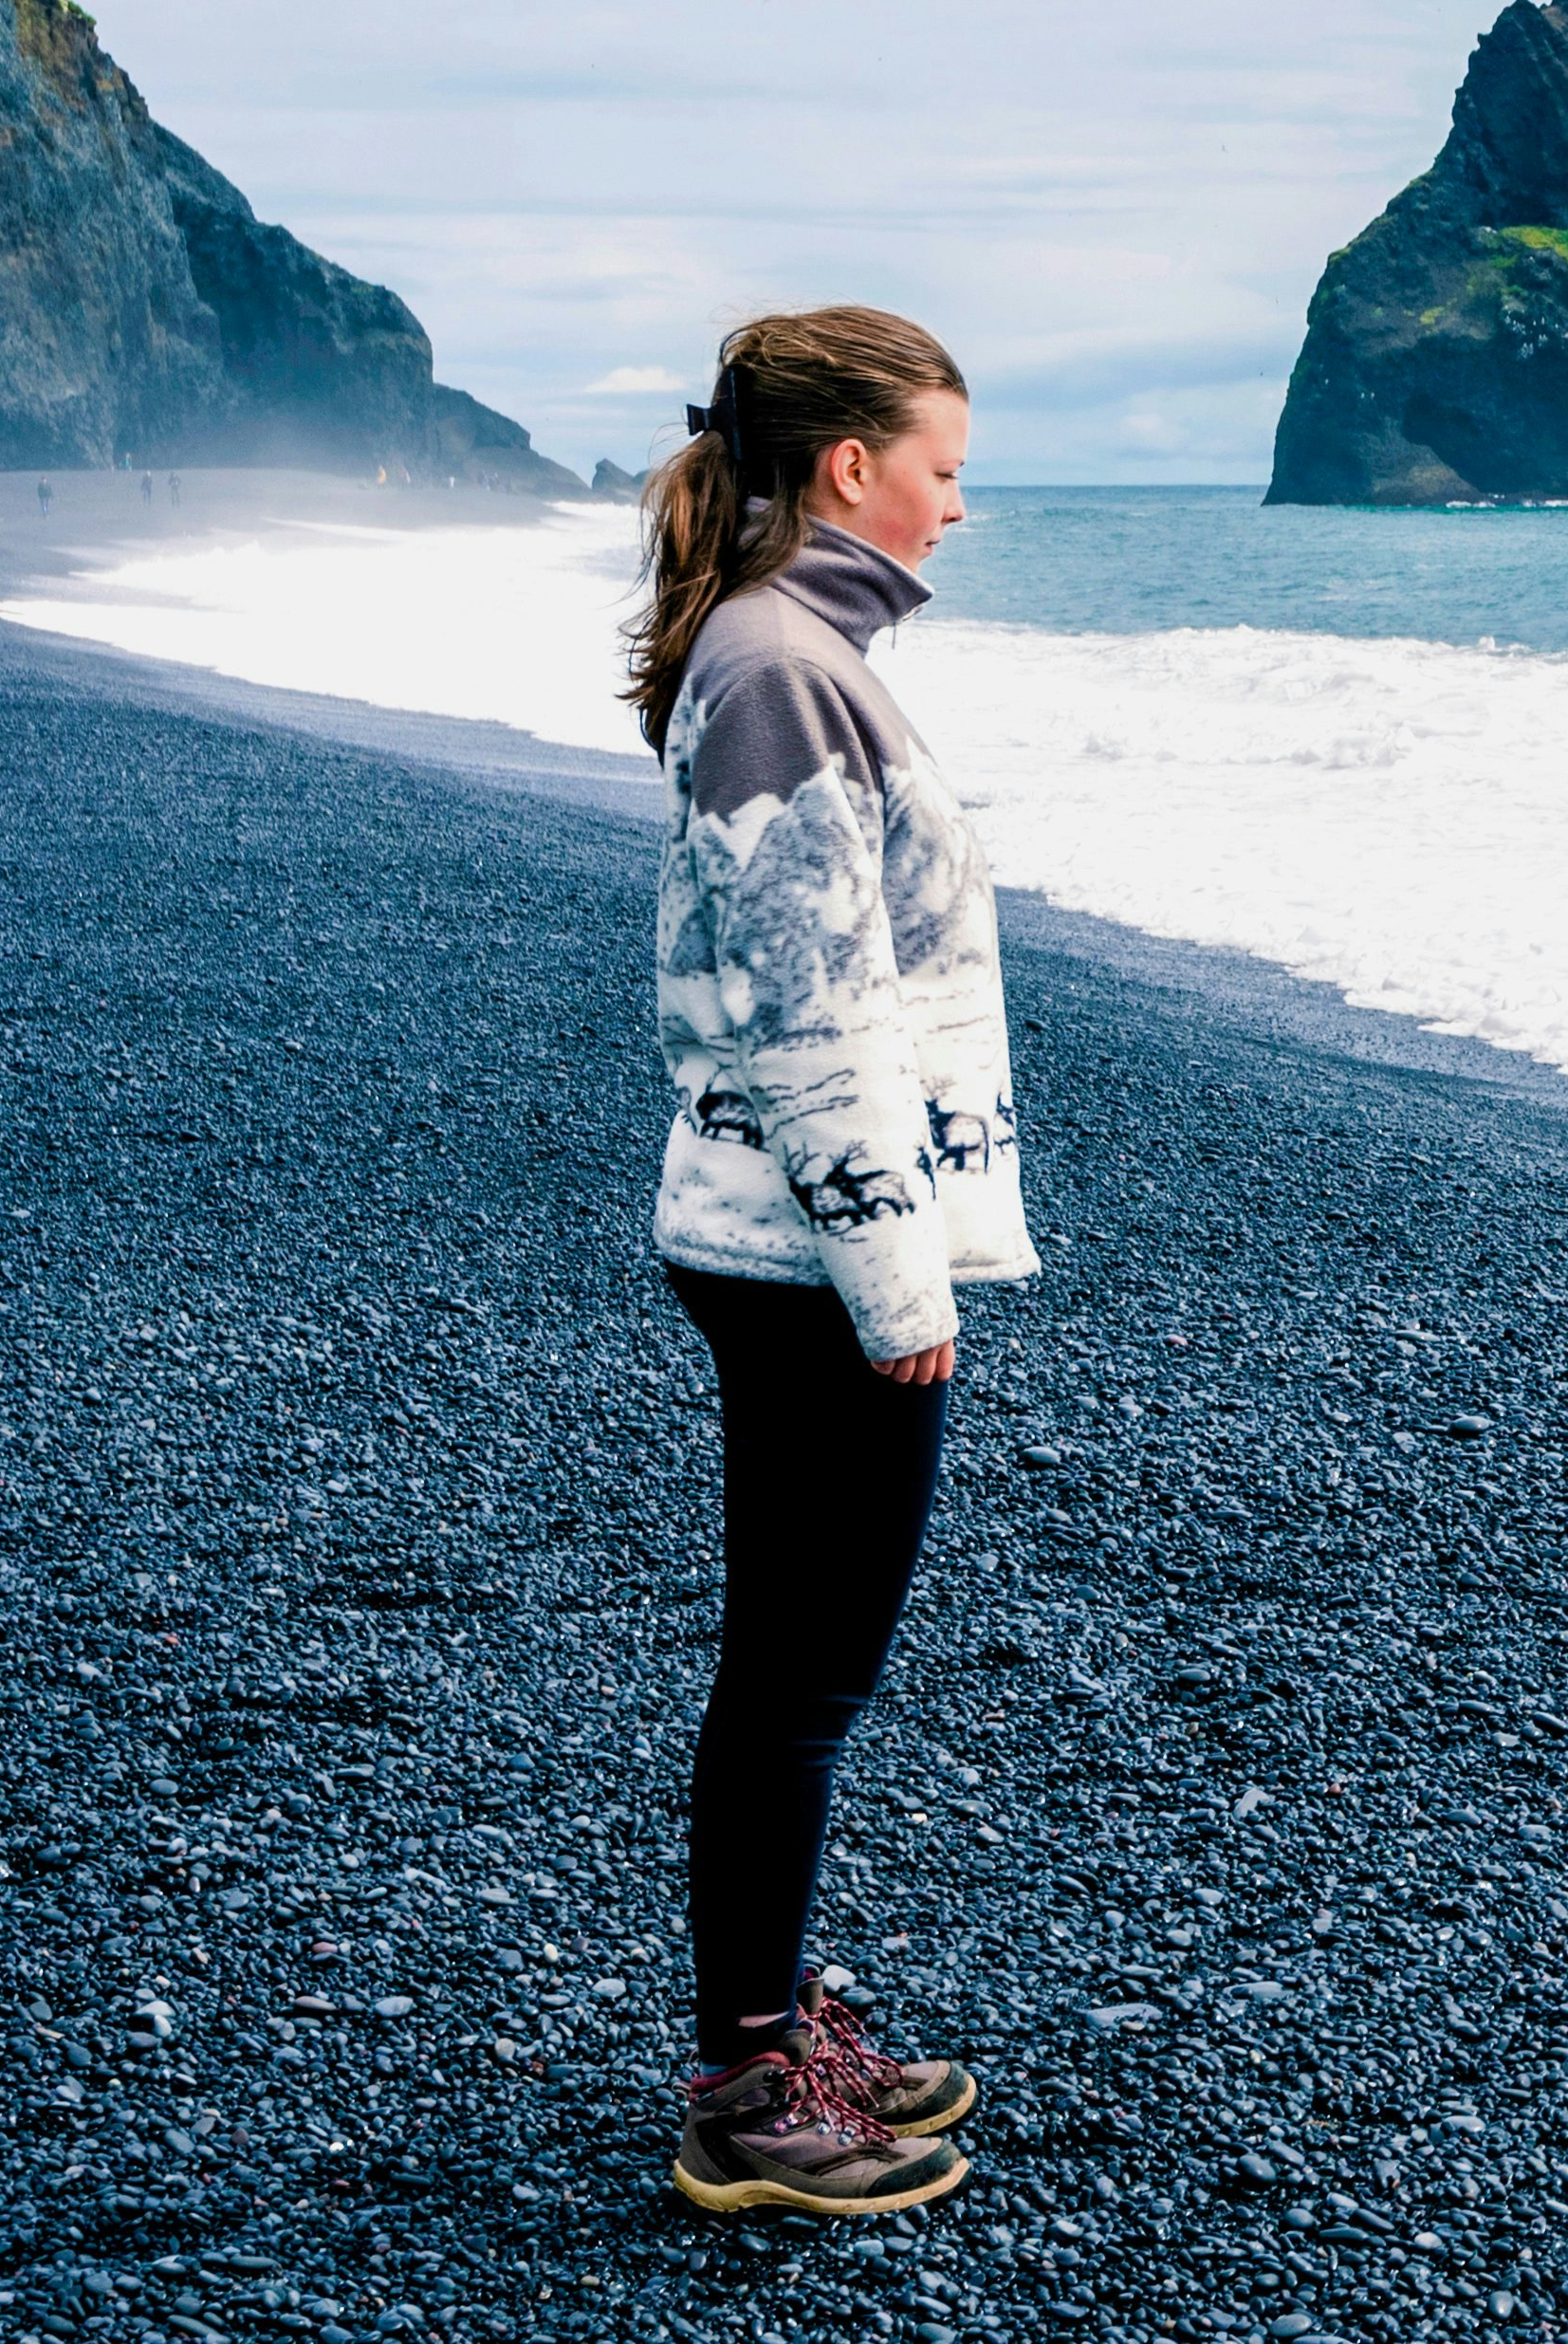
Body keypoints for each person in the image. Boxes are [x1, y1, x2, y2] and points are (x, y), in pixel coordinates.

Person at [621, 305, 1030, 2219]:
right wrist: (897, 1281)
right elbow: (809, 1014)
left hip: (792, 1239)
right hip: (804, 1255)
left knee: (802, 1669)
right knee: (796, 1679)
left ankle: (775, 2024)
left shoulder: (794, 652)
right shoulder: (786, 664)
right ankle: (747, 2092)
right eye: (941, 466)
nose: (960, 502)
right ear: (849, 468)